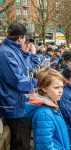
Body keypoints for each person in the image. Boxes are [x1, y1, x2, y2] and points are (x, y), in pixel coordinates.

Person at [0, 22, 37, 150]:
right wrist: (39, 82)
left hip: (19, 102)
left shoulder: (13, 50)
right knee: (20, 144)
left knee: (24, 141)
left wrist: (30, 54)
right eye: (25, 38)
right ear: (20, 37)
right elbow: (17, 80)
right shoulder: (6, 53)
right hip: (13, 104)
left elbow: (25, 68)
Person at [25, 67, 70, 150]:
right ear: (44, 88)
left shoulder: (52, 105)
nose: (60, 91)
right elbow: (45, 147)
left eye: (62, 87)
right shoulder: (44, 113)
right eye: (56, 88)